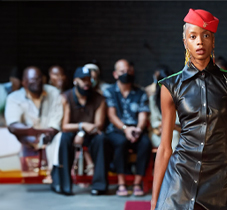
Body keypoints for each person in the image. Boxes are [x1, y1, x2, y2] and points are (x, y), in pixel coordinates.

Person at [148, 9, 227, 210]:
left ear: (213, 40)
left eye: (205, 35)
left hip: (219, 178)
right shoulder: (170, 86)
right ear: (184, 41)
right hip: (181, 175)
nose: (199, 42)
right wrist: (154, 203)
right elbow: (165, 148)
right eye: (193, 36)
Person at [53, 66, 109, 196]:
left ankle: (99, 186)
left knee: (102, 139)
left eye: (89, 79)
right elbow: (64, 126)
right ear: (75, 81)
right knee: (64, 138)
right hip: (73, 131)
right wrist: (81, 128)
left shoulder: (99, 99)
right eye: (83, 80)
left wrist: (83, 133)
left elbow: (98, 125)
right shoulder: (66, 97)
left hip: (91, 133)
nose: (86, 83)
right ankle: (65, 185)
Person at [5, 66, 62, 181]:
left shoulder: (53, 92)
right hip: (26, 139)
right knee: (28, 179)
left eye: (40, 78)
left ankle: (55, 176)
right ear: (24, 82)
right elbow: (13, 125)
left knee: (60, 137)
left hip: (51, 137)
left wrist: (47, 133)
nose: (38, 82)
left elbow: (57, 120)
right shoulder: (14, 97)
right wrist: (33, 132)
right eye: (33, 79)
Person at [104, 59, 152, 197]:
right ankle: (121, 183)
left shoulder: (140, 92)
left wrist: (137, 129)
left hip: (136, 129)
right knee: (121, 142)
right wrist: (125, 129)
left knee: (145, 143)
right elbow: (112, 116)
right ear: (115, 74)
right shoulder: (109, 92)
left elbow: (143, 115)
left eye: (129, 71)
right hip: (116, 130)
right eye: (122, 72)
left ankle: (137, 183)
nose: (126, 74)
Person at [148, 65, 181, 151]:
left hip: (178, 131)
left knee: (174, 134)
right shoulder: (153, 99)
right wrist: (165, 126)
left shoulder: (180, 98)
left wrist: (173, 126)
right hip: (159, 133)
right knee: (171, 135)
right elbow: (154, 122)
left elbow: (180, 122)